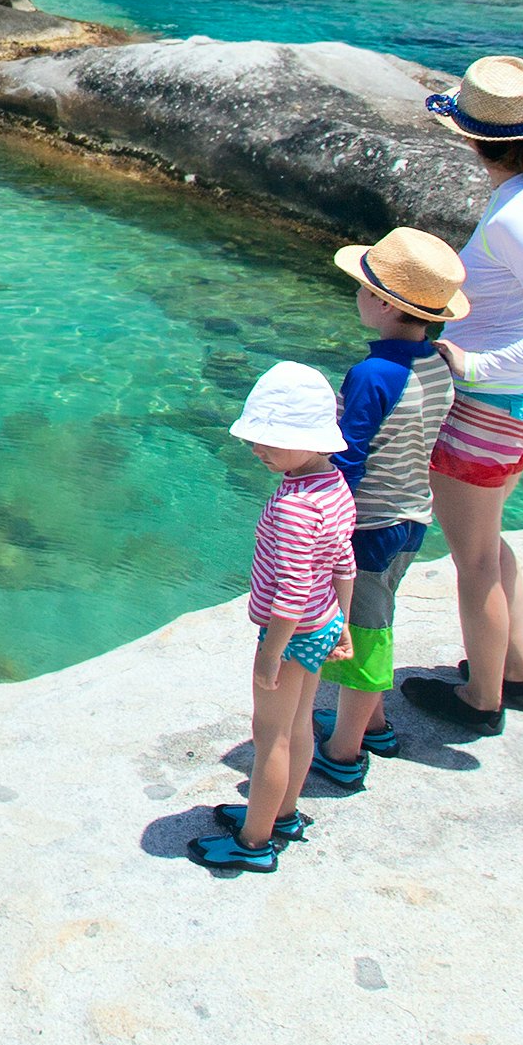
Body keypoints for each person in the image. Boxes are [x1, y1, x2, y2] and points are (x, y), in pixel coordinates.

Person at [404, 55, 523, 737]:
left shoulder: (516, 215)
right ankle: (518, 672)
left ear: (474, 137)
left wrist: (478, 366)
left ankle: (481, 700)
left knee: (473, 558)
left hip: (490, 408)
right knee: (489, 543)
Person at [311, 226, 464, 789]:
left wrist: (324, 521)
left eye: (360, 287)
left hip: (368, 523)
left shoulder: (373, 373)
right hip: (411, 518)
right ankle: (370, 723)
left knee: (364, 634)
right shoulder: (437, 362)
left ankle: (345, 751)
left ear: (381, 302)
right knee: (378, 616)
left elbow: (348, 458)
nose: (356, 295)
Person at [194, 362, 356, 875]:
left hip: (291, 634)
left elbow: (292, 590)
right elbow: (343, 564)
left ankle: (254, 840)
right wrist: (344, 623)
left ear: (311, 439)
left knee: (271, 738)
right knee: (299, 723)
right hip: (323, 622)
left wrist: (269, 653)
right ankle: (282, 813)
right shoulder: (334, 485)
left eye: (273, 441)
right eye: (256, 441)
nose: (259, 450)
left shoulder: (293, 506)